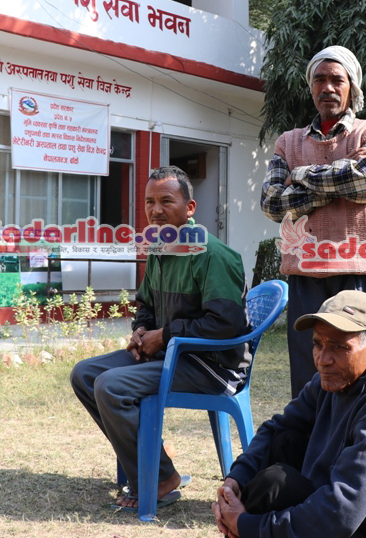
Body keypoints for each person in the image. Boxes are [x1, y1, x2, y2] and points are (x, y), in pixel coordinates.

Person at [70, 166, 251, 512]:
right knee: (85, 375)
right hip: (171, 355)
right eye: (149, 202)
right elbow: (146, 306)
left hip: (211, 366)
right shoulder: (160, 248)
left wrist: (165, 336)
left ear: (190, 207)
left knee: (110, 386)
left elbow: (226, 324)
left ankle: (160, 480)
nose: (155, 211)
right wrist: (141, 331)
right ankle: (155, 461)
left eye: (166, 201)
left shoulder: (212, 255)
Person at [212, 290, 366, 538]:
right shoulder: (332, 379)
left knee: (272, 488)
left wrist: (247, 525)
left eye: (339, 347)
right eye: (317, 344)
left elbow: (340, 514)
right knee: (283, 443)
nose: (322, 359)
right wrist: (236, 480)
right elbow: (276, 428)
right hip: (350, 514)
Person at [260, 45, 366, 397]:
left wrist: (302, 174)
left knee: (364, 374)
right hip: (306, 277)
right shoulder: (288, 142)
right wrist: (341, 177)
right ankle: (311, 450)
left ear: (352, 87)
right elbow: (272, 202)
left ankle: (361, 446)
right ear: (311, 87)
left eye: (337, 79)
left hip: (360, 269)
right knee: (310, 379)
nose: (328, 88)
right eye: (319, 79)